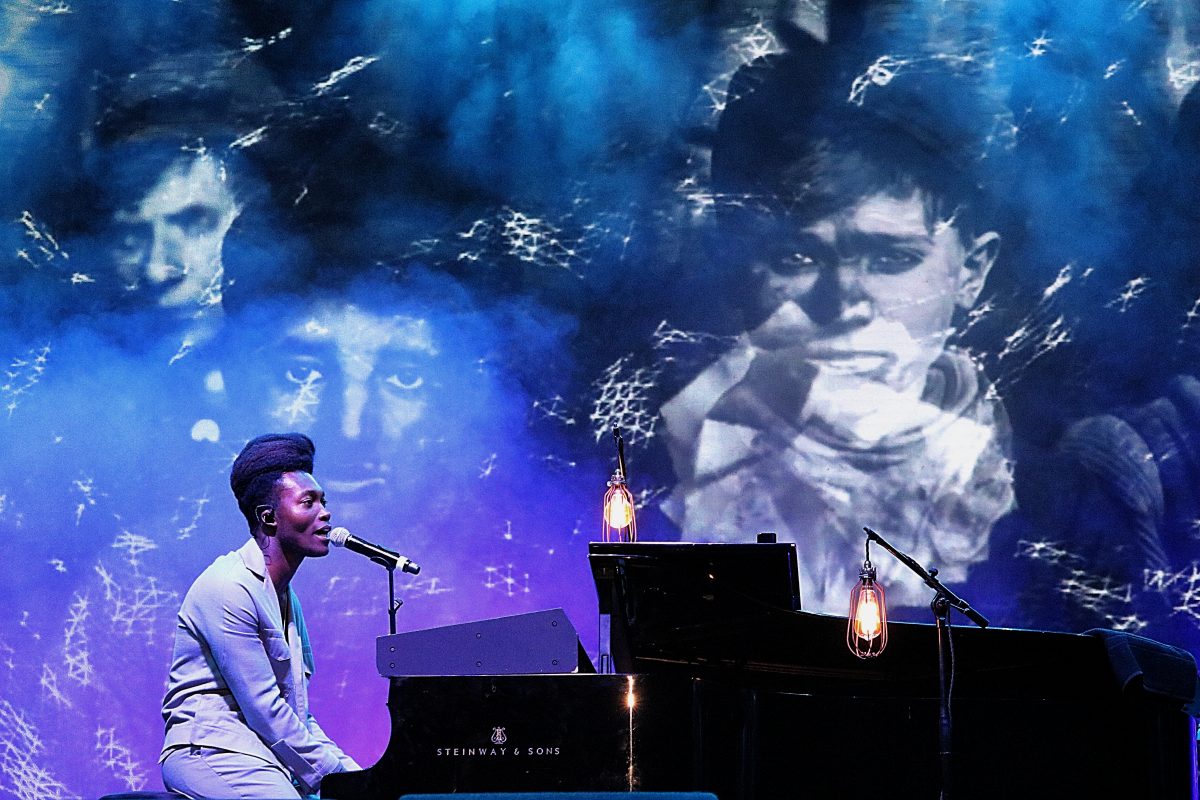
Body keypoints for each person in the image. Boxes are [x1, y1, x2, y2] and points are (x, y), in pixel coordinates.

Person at [661, 34, 1014, 614]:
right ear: (737, 267)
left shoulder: (1049, 506)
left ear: (971, 272)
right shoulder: (660, 475)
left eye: (892, 259)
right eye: (797, 257)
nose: (846, 300)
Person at [160, 432, 359, 798]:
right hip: (210, 751)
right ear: (268, 517)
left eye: (323, 501)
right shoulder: (228, 587)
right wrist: (336, 779)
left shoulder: (286, 599)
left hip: (262, 754)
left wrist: (356, 777)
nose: (325, 512)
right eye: (308, 502)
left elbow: (296, 713)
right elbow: (264, 709)